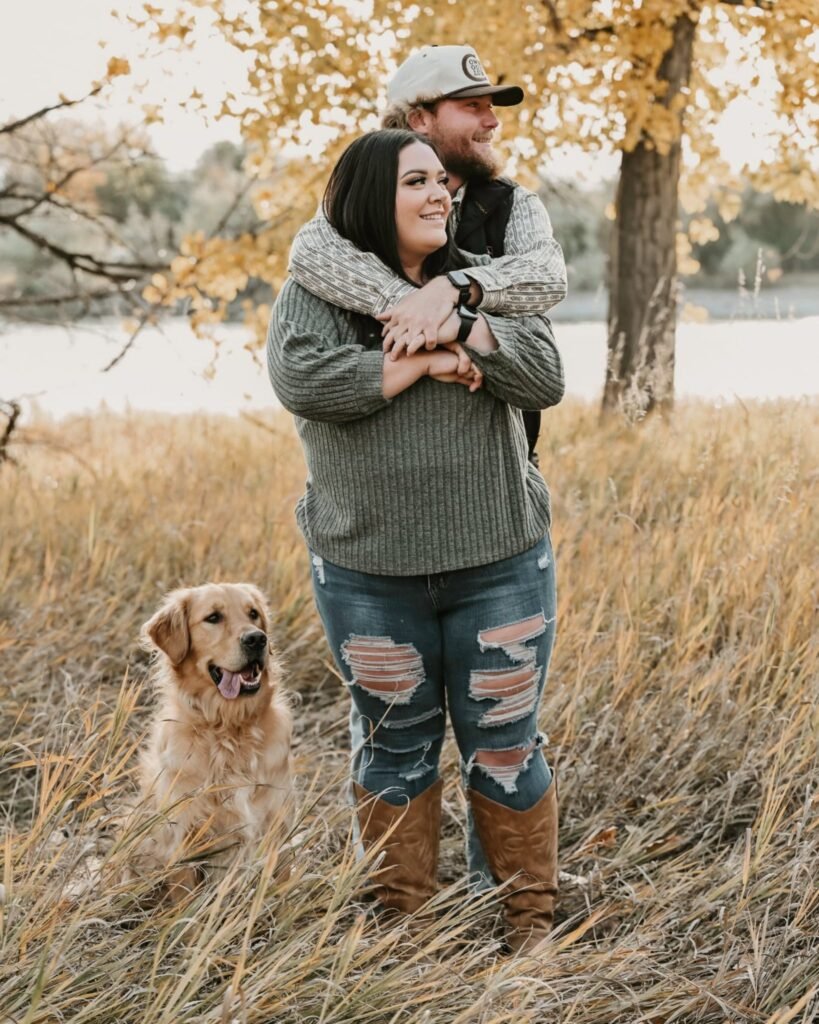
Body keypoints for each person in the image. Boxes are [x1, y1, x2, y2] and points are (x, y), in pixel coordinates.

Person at [267, 127, 564, 954]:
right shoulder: (318, 292)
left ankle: (524, 930)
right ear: (372, 197)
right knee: (394, 748)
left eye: (442, 181)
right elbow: (306, 381)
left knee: (502, 745)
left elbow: (543, 375)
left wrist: (460, 322)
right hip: (368, 573)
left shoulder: (477, 280)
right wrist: (424, 365)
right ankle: (407, 935)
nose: (439, 194)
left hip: (497, 561)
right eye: (415, 183)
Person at [288, 44, 567, 467]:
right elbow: (310, 251)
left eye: (490, 107)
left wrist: (453, 290)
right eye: (473, 106)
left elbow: (546, 275)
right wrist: (415, 309)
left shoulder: (515, 205)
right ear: (420, 118)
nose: (492, 121)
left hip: (502, 479)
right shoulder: (359, 206)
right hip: (378, 494)